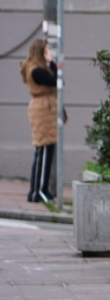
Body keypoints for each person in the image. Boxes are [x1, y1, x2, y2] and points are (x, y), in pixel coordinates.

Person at [20, 39, 60, 203]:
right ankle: (39, 191)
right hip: (43, 110)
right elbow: (55, 81)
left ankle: (36, 191)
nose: (49, 53)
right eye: (46, 50)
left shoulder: (35, 68)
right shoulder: (36, 70)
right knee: (44, 151)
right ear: (41, 52)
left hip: (45, 108)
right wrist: (53, 63)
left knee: (43, 151)